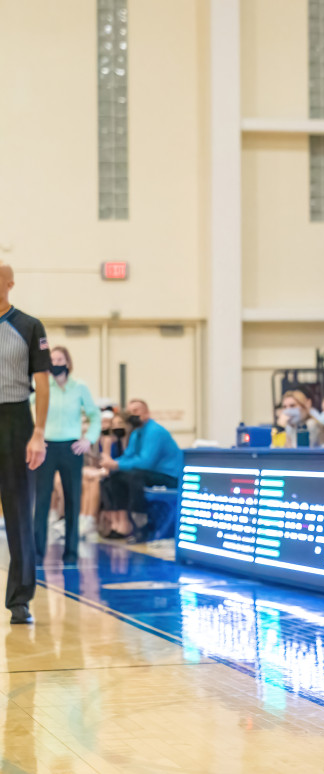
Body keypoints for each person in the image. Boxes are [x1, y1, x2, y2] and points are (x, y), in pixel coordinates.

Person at [0, 262, 49, 625]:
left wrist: (39, 433)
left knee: (18, 514)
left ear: (10, 283)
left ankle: (20, 600)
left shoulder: (29, 326)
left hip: (16, 419)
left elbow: (42, 384)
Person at [34, 346, 98, 564]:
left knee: (72, 499)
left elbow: (94, 416)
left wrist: (88, 439)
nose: (56, 363)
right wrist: (34, 436)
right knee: (42, 499)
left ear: (68, 363)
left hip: (72, 448)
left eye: (60, 359)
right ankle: (37, 552)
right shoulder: (42, 387)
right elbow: (26, 411)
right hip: (46, 447)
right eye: (52, 359)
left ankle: (71, 553)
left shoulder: (79, 387)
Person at [99, 398, 184, 540]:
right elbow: (128, 456)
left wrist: (116, 464)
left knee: (133, 477)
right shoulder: (136, 432)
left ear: (146, 413)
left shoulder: (155, 431)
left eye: (136, 411)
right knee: (113, 478)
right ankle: (121, 524)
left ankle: (141, 524)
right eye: (129, 412)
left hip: (168, 476)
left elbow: (145, 463)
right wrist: (112, 463)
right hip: (150, 473)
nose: (132, 414)